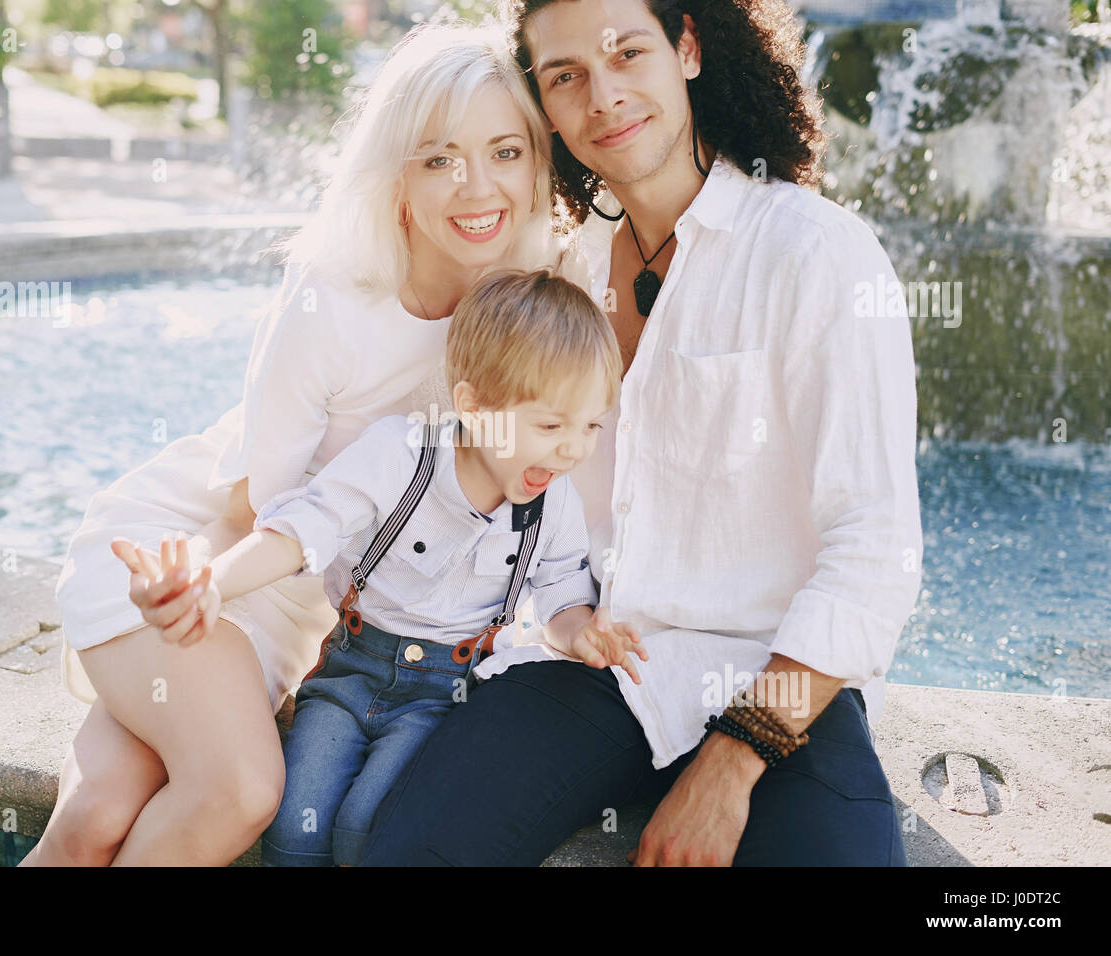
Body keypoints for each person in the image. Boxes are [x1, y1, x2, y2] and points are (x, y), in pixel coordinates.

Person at [359, 0, 923, 867]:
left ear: (688, 48)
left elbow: (875, 550)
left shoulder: (817, 255)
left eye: (628, 54)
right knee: (408, 852)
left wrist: (734, 761)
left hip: (778, 681)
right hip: (599, 663)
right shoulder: (565, 269)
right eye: (566, 75)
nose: (604, 96)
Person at [22, 21, 564, 866]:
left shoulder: (537, 306)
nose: (476, 186)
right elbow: (256, 504)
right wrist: (201, 587)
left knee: (107, 809)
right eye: (438, 159)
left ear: (537, 167)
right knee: (210, 795)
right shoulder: (334, 296)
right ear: (396, 179)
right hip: (218, 553)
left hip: (313, 606)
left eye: (505, 151)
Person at [192, 268, 637, 866]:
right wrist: (213, 583)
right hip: (351, 672)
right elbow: (306, 529)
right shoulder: (402, 456)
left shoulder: (552, 503)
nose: (574, 449)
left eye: (590, 427)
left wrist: (581, 631)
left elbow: (560, 589)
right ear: (474, 408)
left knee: (362, 832)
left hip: (444, 694)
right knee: (295, 832)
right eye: (551, 425)